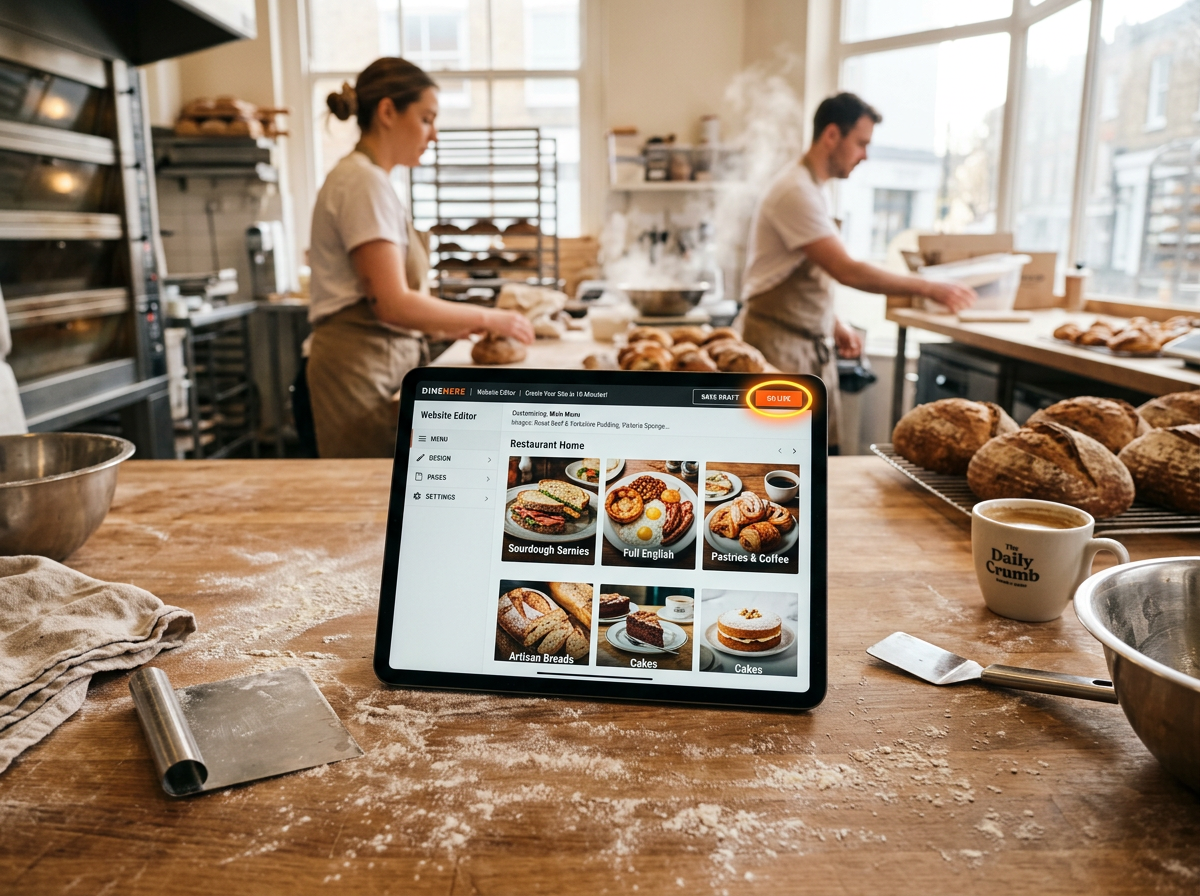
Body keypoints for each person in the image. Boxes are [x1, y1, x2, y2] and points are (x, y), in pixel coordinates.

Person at [307, 57, 534, 457]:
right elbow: (391, 303)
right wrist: (488, 317)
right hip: (359, 374)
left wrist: (449, 326)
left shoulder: (372, 180)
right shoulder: (361, 182)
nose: (434, 134)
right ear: (388, 111)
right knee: (366, 505)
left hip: (379, 364)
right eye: (427, 118)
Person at [738, 92, 975, 452]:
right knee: (781, 461)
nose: (865, 155)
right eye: (861, 143)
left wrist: (833, 323)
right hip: (779, 351)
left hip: (804, 345)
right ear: (832, 135)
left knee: (812, 458)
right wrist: (928, 287)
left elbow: (796, 273)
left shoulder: (814, 190)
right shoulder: (794, 191)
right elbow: (845, 269)